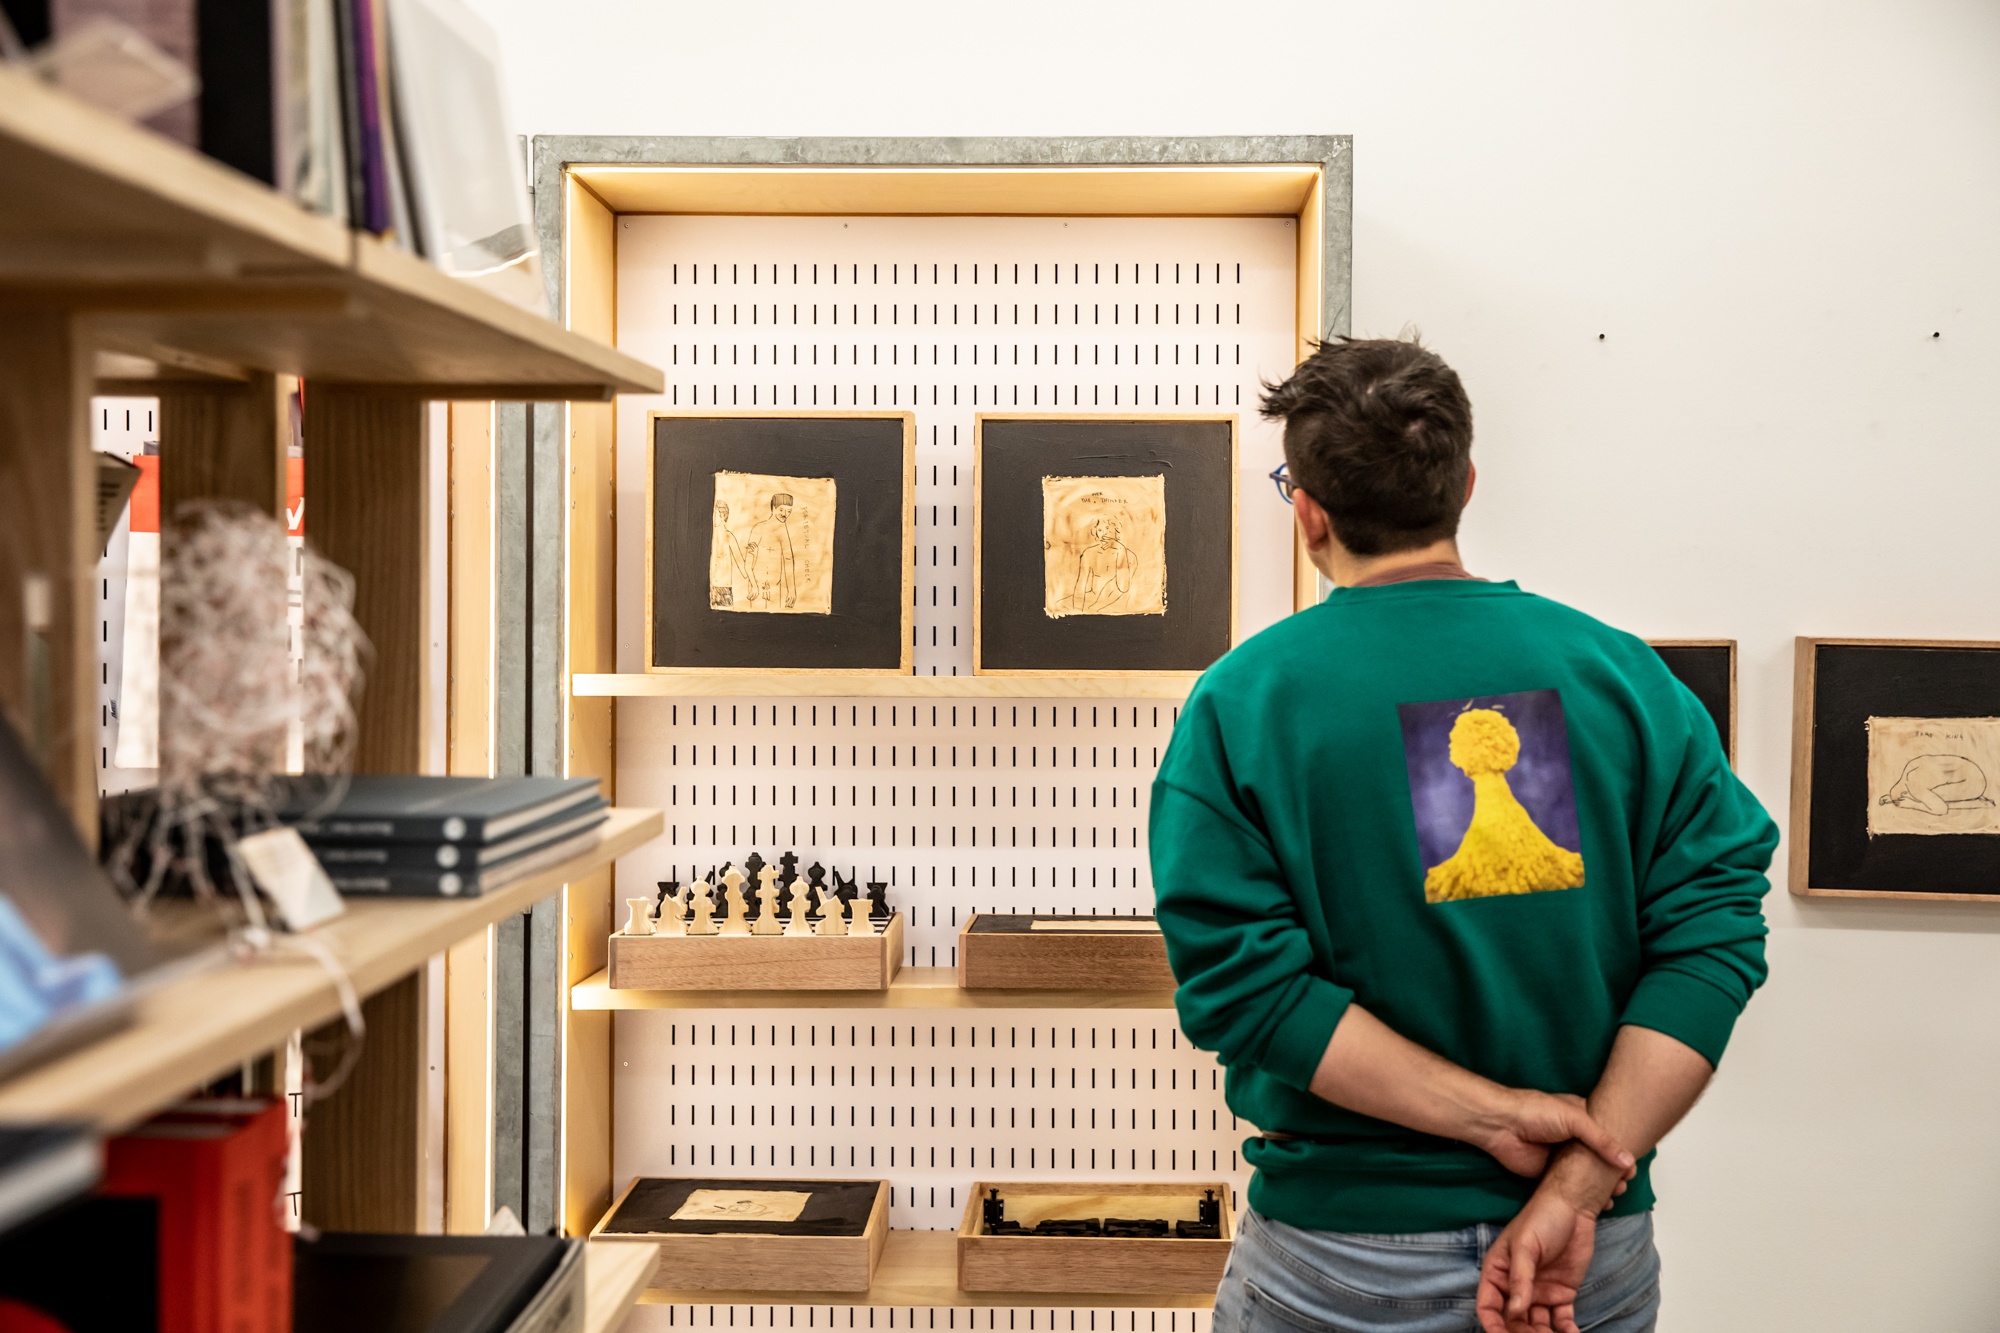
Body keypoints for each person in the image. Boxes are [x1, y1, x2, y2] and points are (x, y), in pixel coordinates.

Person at [1149, 337, 1778, 1333]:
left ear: (1306, 510)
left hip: (1341, 1258)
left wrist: (1493, 1120)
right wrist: (1574, 1185)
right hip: (1588, 1251)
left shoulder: (1244, 699)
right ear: (1465, 484)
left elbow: (1247, 990)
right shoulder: (1620, 674)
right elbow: (1710, 939)